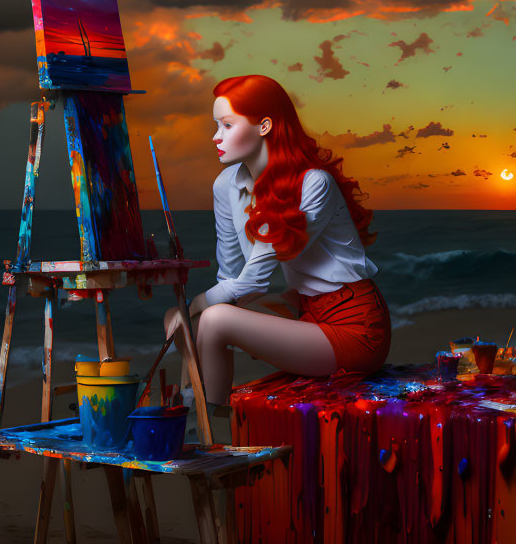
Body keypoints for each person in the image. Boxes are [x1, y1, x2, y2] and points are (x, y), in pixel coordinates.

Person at [164, 74, 390, 418]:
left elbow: (253, 280)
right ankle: (205, 398)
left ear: (264, 126)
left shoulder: (313, 183)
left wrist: (193, 306)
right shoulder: (226, 185)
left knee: (212, 319)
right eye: (216, 125)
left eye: (227, 125)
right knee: (182, 317)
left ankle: (212, 419)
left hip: (355, 327)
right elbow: (231, 279)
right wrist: (186, 313)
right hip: (306, 312)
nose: (216, 136)